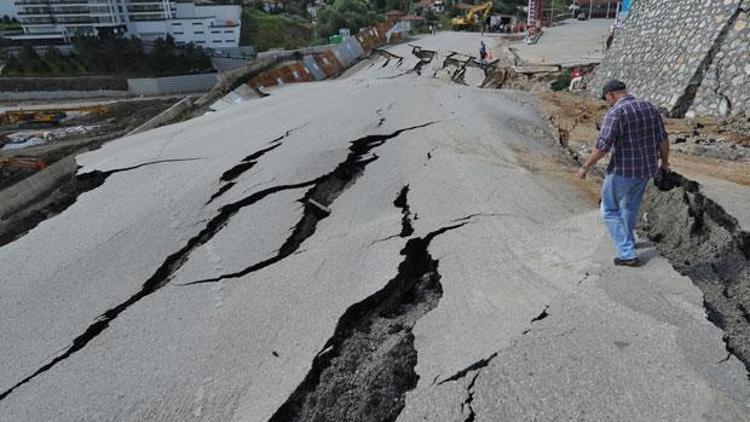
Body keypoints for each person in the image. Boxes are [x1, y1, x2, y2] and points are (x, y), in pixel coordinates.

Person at [577, 80, 670, 267]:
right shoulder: (649, 108)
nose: (607, 103)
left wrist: (586, 166)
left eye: (606, 99)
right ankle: (628, 239)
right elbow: (662, 139)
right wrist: (665, 163)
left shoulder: (616, 112)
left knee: (609, 210)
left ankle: (627, 254)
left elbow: (603, 146)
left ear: (611, 94)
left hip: (623, 171)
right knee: (629, 206)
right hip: (646, 169)